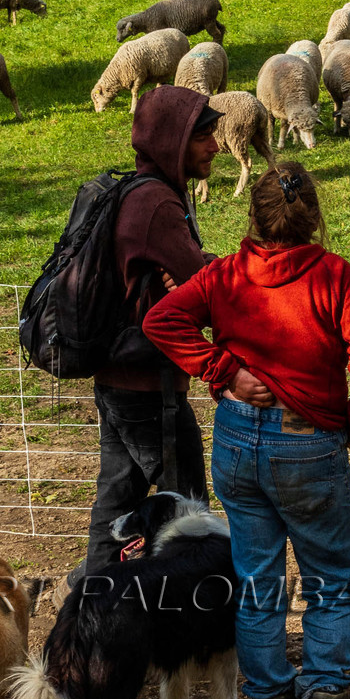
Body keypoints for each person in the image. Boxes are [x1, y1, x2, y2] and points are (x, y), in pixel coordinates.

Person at [142, 162, 350, 699]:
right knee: (331, 582)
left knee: (257, 588)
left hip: (236, 445)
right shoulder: (332, 276)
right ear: (312, 216)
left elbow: (161, 318)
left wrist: (223, 372)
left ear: (252, 216)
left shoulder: (227, 274)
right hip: (309, 445)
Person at [82, 83, 220, 576]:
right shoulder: (158, 204)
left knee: (116, 498)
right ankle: (194, 619)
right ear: (173, 140)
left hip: (119, 375)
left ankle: (90, 607)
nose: (216, 146)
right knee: (190, 514)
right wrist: (209, 269)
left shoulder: (140, 193)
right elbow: (205, 289)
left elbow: (188, 277)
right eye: (204, 135)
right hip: (149, 385)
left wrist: (194, 271)